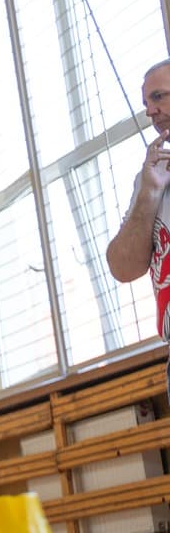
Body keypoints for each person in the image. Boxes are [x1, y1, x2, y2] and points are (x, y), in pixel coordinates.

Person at [104, 58, 170, 385]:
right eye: (146, 102)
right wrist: (149, 192)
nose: (149, 111)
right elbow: (122, 267)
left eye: (158, 97)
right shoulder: (150, 179)